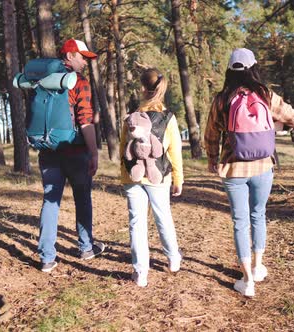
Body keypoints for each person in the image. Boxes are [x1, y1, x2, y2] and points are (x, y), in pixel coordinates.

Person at [205, 48, 294, 297]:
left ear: (230, 70)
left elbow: (211, 135)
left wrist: (212, 159)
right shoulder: (266, 95)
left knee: (240, 221)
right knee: (258, 214)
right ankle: (259, 266)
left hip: (233, 167)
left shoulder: (222, 99)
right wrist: (278, 126)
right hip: (263, 165)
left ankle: (247, 280)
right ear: (253, 68)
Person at [37, 39, 105, 273]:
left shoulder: (42, 81)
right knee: (82, 197)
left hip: (48, 151)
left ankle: (47, 257)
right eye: (82, 56)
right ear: (69, 55)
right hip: (75, 151)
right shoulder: (79, 82)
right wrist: (94, 152)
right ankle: (86, 247)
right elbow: (85, 120)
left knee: (50, 201)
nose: (85, 61)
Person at [120, 68, 184, 287]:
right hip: (159, 175)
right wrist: (178, 178)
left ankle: (140, 273)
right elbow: (175, 150)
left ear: (142, 88)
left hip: (134, 176)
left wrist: (125, 176)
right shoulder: (168, 117)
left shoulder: (131, 117)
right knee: (163, 217)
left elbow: (123, 149)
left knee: (136, 223)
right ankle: (173, 258)